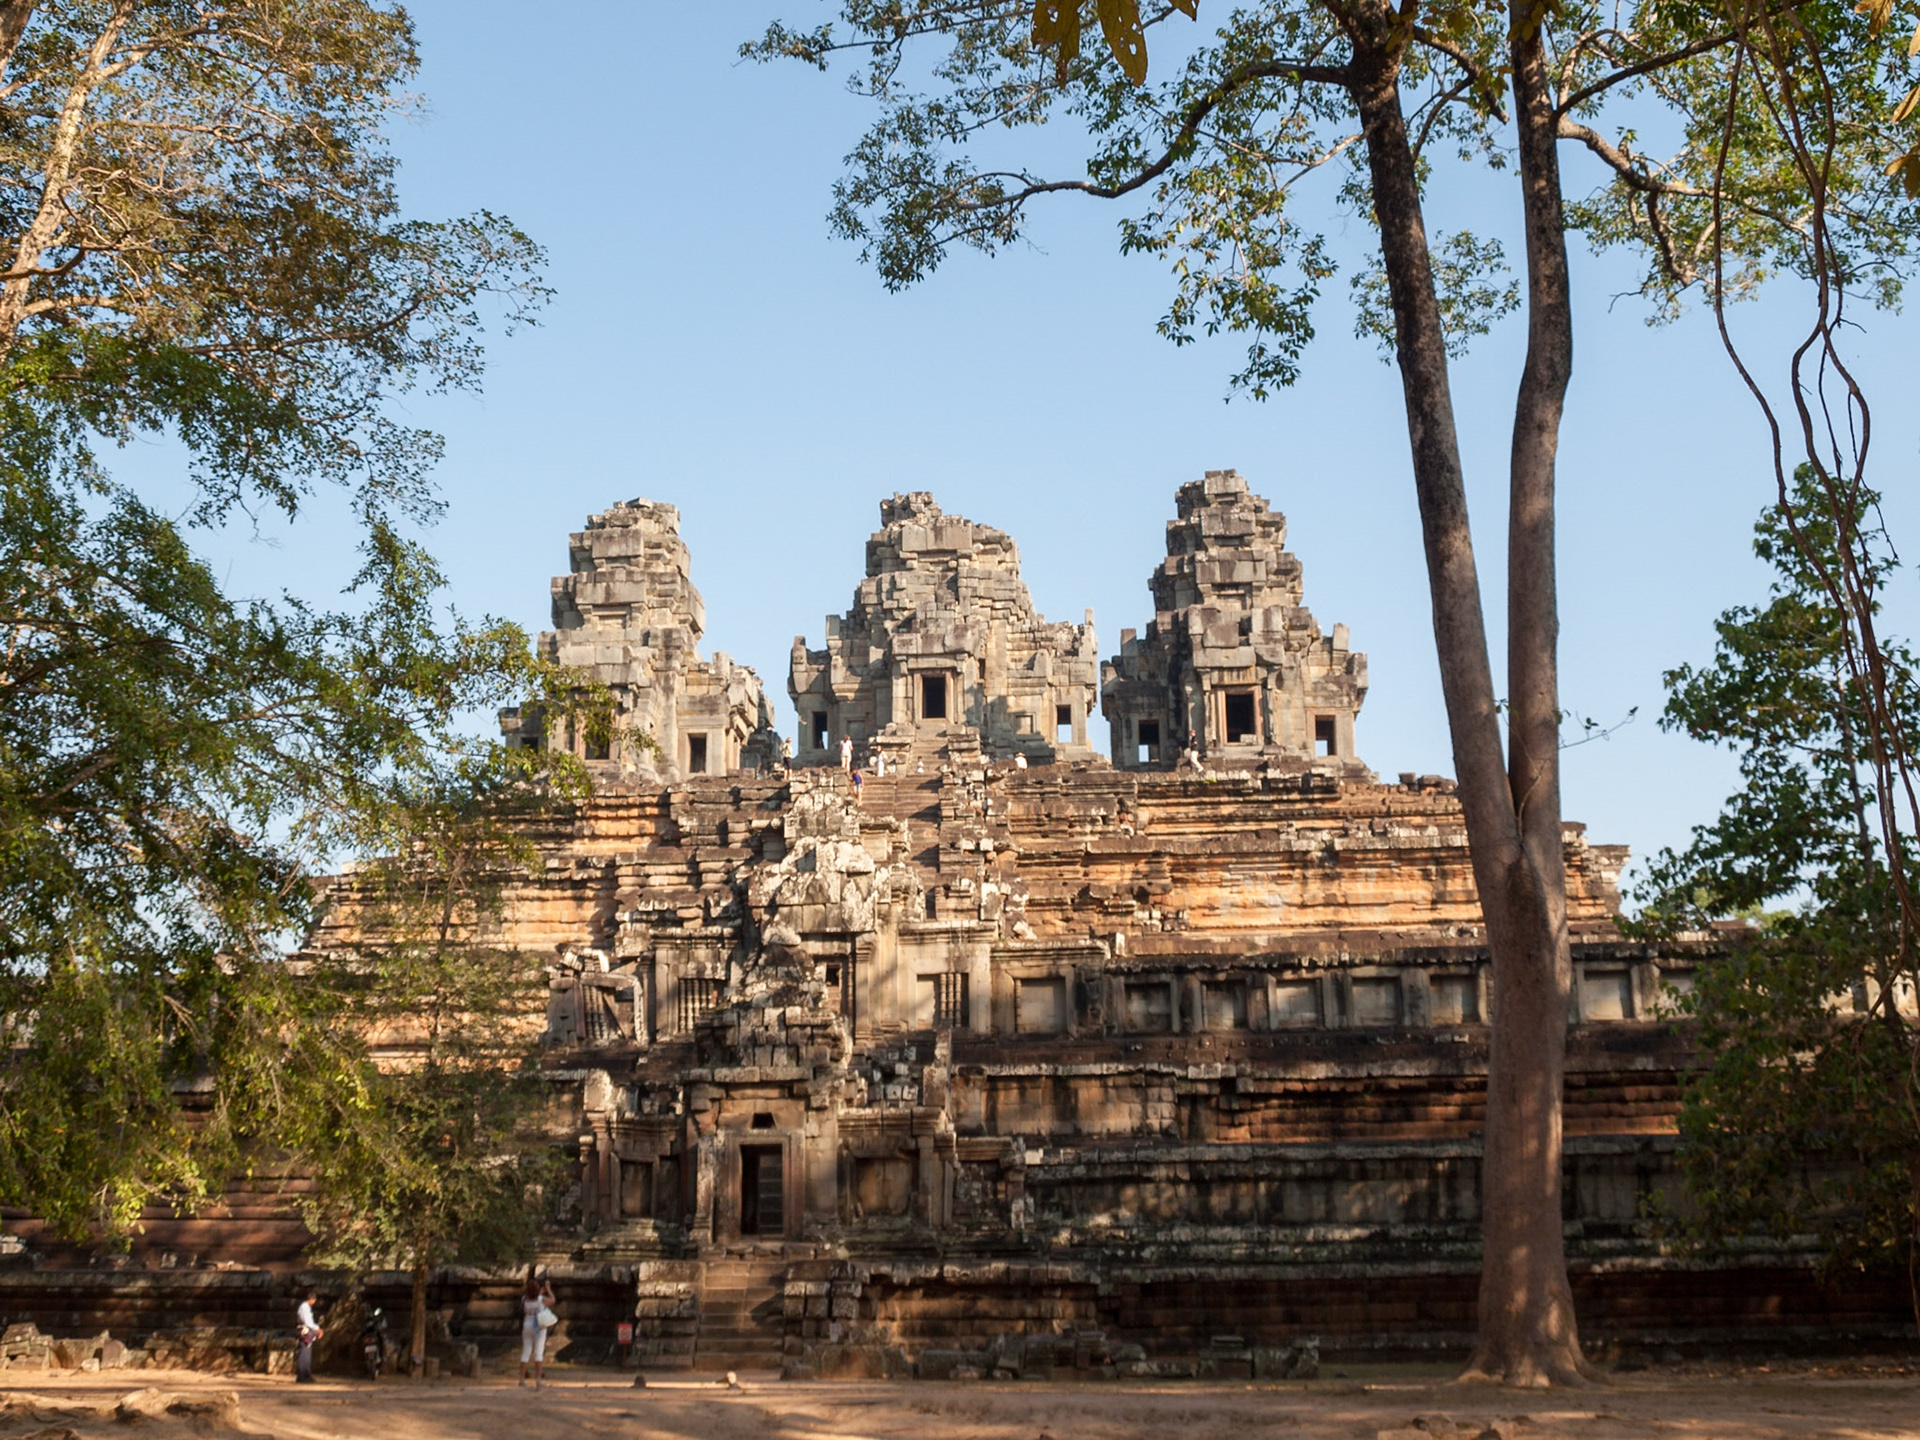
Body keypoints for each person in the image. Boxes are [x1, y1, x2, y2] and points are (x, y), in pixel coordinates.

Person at [520, 1268, 555, 1388]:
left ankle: (521, 1379)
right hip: (538, 1327)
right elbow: (552, 1300)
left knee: (525, 1352)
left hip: (526, 1325)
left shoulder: (524, 1299)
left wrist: (539, 1292)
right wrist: (548, 1290)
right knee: (538, 1353)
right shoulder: (540, 1299)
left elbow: (533, 1297)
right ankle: (538, 1379)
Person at [294, 1288, 322, 1384]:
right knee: (304, 1353)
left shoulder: (305, 1307)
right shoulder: (304, 1308)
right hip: (305, 1331)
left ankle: (305, 1375)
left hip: (307, 1331)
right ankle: (303, 1375)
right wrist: (317, 1328)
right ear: (311, 1299)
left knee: (306, 1353)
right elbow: (308, 1322)